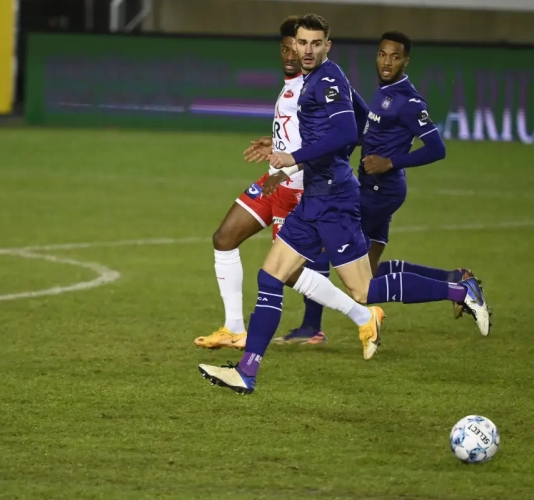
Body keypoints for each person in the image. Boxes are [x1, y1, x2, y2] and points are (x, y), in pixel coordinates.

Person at [199, 14, 490, 395]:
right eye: (302, 43)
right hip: (317, 195)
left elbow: (346, 131)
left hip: (334, 199)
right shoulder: (315, 80)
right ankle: (246, 372)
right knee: (270, 277)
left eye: (315, 44)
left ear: (326, 47)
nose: (307, 50)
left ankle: (460, 291)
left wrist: (295, 157)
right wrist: (285, 150)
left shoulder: (329, 79)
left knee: (364, 291)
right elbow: (355, 122)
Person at [272, 31, 484, 345]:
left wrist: (391, 162)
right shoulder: (383, 92)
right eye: (382, 54)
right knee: (369, 272)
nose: (387, 62)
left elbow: (437, 148)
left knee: (320, 247)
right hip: (373, 188)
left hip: (378, 191)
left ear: (406, 60)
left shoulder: (408, 100)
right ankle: (455, 280)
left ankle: (311, 327)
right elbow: (360, 133)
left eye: (395, 56)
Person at [193, 16, 316, 350]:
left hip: (297, 188)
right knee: (224, 237)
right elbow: (297, 136)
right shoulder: (291, 85)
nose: (290, 54)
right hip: (275, 179)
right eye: (285, 47)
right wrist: (274, 145)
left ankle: (364, 315)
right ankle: (234, 328)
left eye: (297, 47)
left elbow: (330, 143)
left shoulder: (313, 89)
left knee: (287, 273)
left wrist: (286, 169)